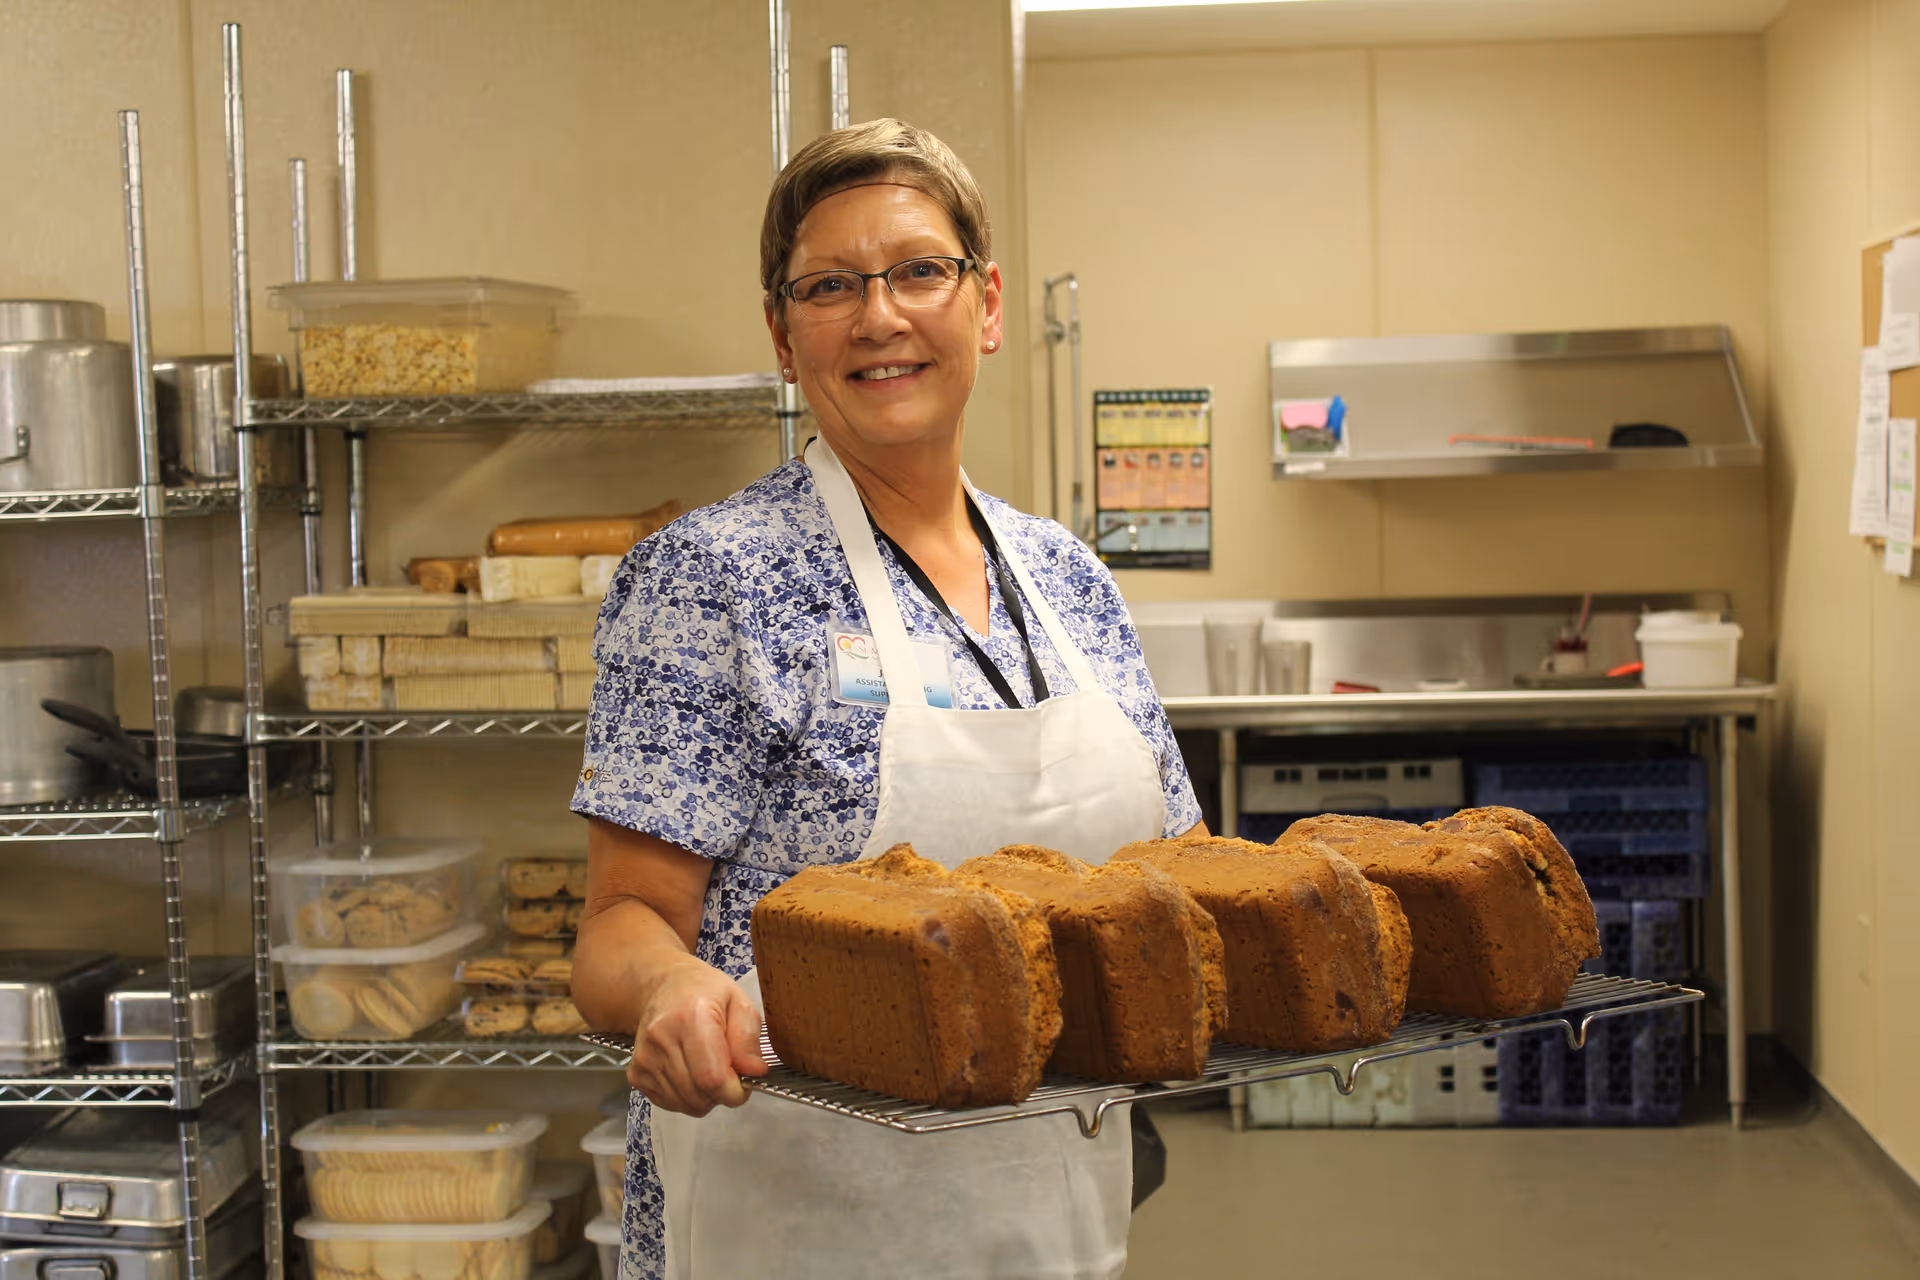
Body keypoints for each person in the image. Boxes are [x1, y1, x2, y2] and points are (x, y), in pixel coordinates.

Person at [571, 117, 1205, 1280]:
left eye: (920, 269)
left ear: (989, 302)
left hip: (1049, 1217)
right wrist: (668, 989)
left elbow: (1175, 881)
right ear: (781, 332)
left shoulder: (1069, 577)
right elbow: (619, 930)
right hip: (795, 1221)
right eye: (829, 285)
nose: (879, 315)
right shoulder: (713, 577)